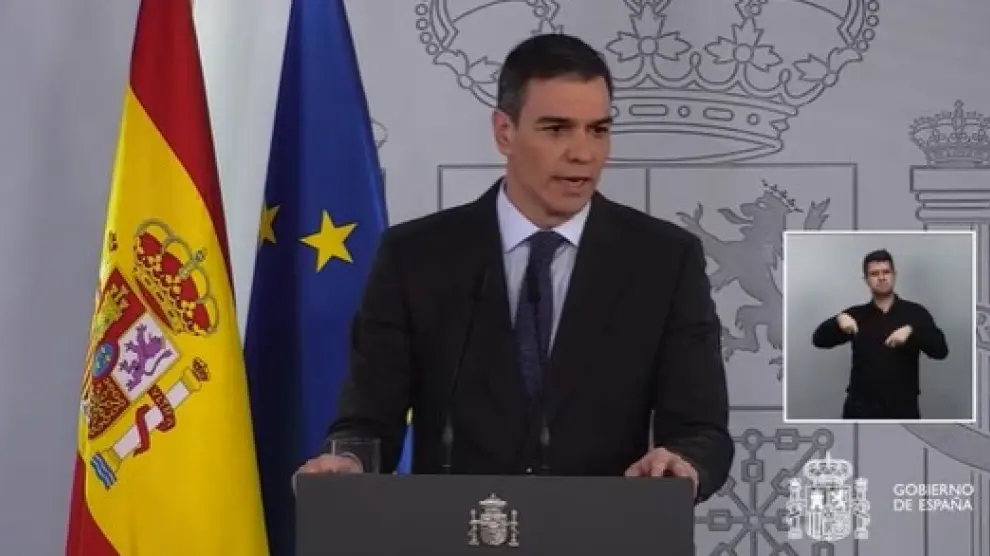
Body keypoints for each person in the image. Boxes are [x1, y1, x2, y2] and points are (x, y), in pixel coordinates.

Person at [296, 33, 733, 503]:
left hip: (600, 528)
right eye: (557, 129)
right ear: (504, 131)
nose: (583, 153)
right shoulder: (415, 257)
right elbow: (368, 421)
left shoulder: (663, 260)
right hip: (455, 529)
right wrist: (351, 462)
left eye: (598, 130)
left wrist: (682, 462)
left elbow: (701, 430)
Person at [811, 249, 949, 419]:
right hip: (860, 408)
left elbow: (940, 351)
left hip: (903, 408)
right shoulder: (856, 315)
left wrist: (912, 331)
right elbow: (819, 340)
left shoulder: (916, 313)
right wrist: (837, 320)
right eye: (874, 274)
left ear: (894, 275)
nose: (882, 277)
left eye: (886, 272)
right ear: (866, 279)